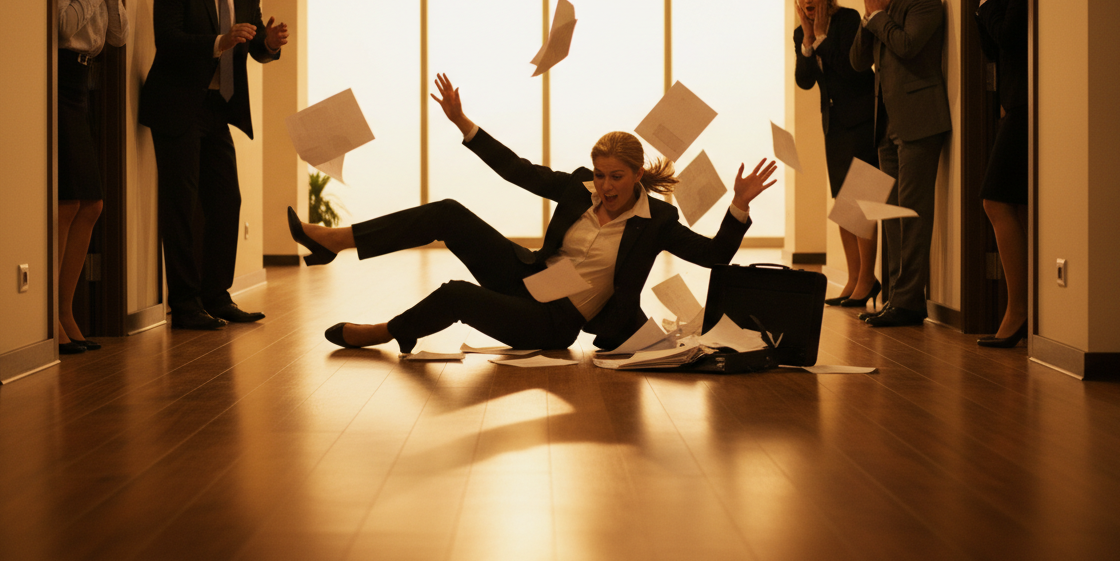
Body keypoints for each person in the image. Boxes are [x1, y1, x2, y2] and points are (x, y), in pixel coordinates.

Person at [287, 73, 778, 354]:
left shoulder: (656, 224)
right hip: (530, 280)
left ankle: (387, 332)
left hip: (554, 322)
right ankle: (336, 240)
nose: (603, 186)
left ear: (635, 176)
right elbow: (517, 171)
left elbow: (716, 255)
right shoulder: (579, 188)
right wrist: (464, 124)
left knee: (457, 295)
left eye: (615, 177)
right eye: (599, 174)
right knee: (448, 212)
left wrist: (739, 206)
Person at [139, 0, 289, 330]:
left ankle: (216, 297)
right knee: (181, 207)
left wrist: (270, 45)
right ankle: (185, 305)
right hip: (176, 106)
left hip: (217, 110)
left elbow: (253, 43)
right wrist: (219, 42)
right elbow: (167, 42)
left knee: (226, 201)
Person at [849, 0, 950, 327]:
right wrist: (868, 16)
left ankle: (908, 302)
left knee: (912, 213)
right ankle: (894, 297)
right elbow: (858, 61)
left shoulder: (923, 0)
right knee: (889, 214)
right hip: (886, 126)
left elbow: (908, 46)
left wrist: (878, 17)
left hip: (920, 120)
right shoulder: (876, 8)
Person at [55, 0, 128, 355]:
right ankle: (56, 319)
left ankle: (66, 314)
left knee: (92, 204)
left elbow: (117, 37)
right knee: (70, 204)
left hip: (84, 87)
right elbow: (63, 25)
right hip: (58, 82)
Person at [792, 0, 881, 310]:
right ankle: (854, 278)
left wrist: (822, 40)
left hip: (861, 120)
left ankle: (867, 279)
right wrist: (807, 44)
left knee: (862, 202)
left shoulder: (847, 20)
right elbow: (804, 80)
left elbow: (851, 68)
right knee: (844, 205)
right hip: (834, 126)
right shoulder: (802, 32)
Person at [967, 0, 1029, 348]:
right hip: (1012, 102)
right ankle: (1022, 307)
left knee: (994, 200)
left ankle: (1018, 309)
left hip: (1026, 103)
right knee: (1010, 203)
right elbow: (992, 52)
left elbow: (1010, 37)